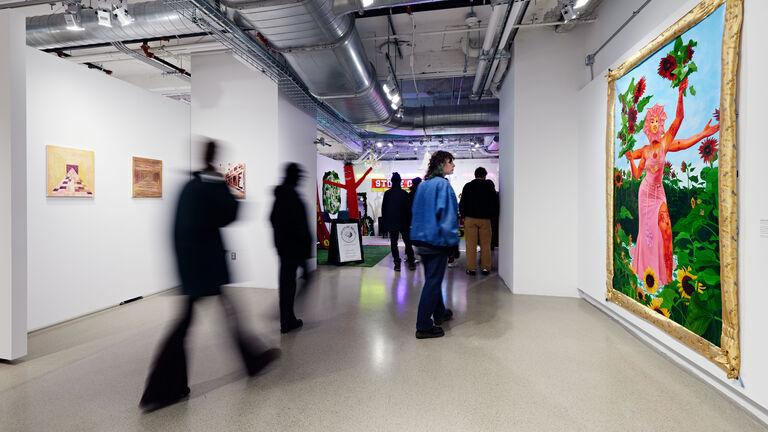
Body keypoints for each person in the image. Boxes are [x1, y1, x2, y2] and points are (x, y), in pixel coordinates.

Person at [140, 141, 279, 412]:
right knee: (192, 323)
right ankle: (160, 390)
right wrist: (220, 180)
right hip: (203, 268)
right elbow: (231, 213)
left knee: (204, 320)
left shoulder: (189, 187)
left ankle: (169, 386)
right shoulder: (205, 187)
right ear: (211, 157)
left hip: (195, 267)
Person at [625, 78, 719, 285]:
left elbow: (679, 119)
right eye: (652, 121)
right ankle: (647, 269)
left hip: (658, 194)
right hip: (644, 194)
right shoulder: (645, 151)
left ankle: (667, 276)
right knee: (647, 232)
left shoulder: (665, 142)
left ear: (660, 125)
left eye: (658, 121)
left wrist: (680, 94)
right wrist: (632, 159)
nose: (655, 124)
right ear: (648, 127)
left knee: (666, 230)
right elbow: (636, 175)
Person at [410, 151, 459, 339]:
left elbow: (415, 211)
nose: (453, 165)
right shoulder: (443, 186)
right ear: (441, 165)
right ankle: (423, 325)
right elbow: (448, 216)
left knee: (433, 279)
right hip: (437, 240)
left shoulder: (423, 185)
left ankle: (439, 313)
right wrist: (452, 243)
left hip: (421, 239)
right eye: (450, 162)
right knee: (433, 282)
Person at [270, 163, 312, 333]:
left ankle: (286, 319)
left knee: (287, 284)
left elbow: (273, 220)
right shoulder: (291, 197)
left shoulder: (281, 196)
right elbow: (300, 227)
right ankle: (287, 320)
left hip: (285, 249)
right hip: (293, 250)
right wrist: (305, 254)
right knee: (289, 285)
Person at [459, 167, 499, 276]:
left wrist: (464, 216)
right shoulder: (489, 186)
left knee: (470, 245)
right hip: (485, 219)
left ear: (475, 175)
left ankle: (471, 268)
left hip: (470, 219)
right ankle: (485, 268)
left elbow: (462, 203)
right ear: (485, 175)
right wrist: (493, 215)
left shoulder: (468, 186)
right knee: (485, 245)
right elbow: (495, 203)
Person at [382, 172, 416, 271]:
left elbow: (384, 209)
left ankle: (397, 263)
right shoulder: (404, 193)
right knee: (408, 242)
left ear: (391, 182)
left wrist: (385, 223)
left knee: (393, 243)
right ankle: (411, 262)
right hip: (404, 222)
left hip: (392, 222)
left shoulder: (387, 194)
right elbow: (408, 209)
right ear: (400, 182)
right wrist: (410, 222)